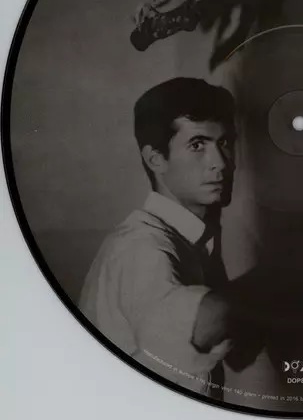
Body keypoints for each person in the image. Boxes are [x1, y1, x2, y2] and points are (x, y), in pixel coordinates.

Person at [79, 77, 239, 399]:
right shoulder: (140, 246)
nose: (221, 164)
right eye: (198, 145)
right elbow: (200, 324)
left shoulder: (190, 240)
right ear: (156, 159)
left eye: (224, 143)